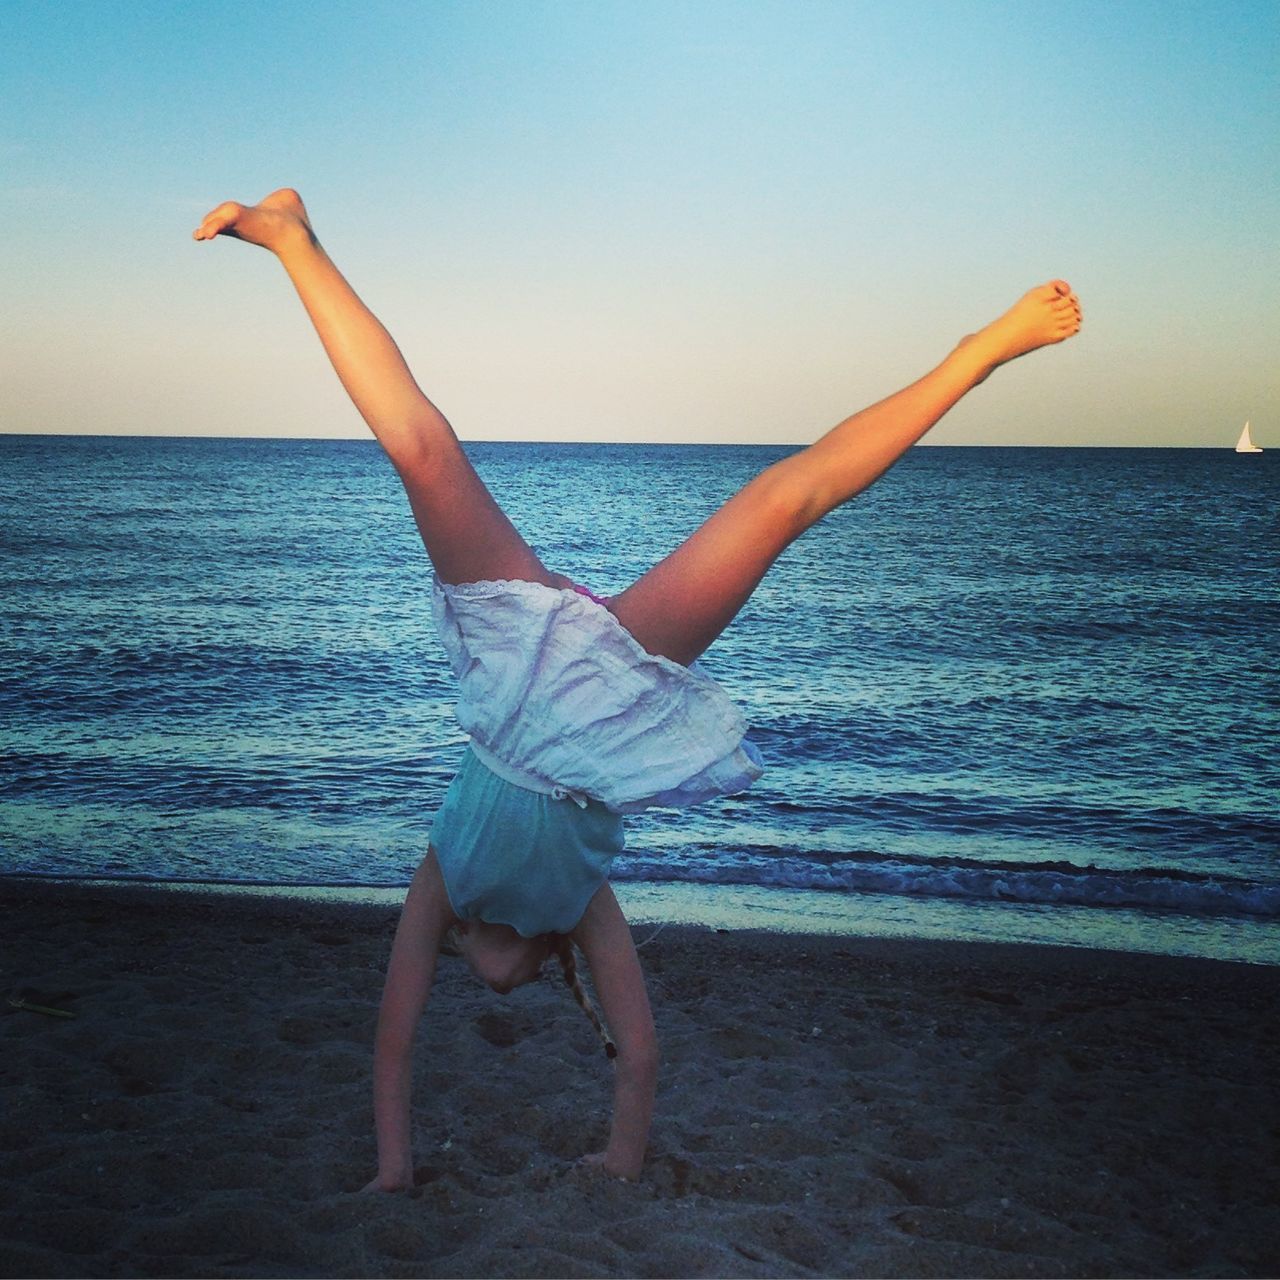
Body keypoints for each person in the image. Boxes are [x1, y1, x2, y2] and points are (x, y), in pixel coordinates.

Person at [194, 188, 1082, 1186]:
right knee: (780, 501)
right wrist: (619, 1158)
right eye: (516, 983)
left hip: (506, 676)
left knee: (420, 449)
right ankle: (980, 350)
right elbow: (640, 1049)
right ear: (549, 970)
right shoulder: (580, 905)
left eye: (479, 976)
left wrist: (394, 1169)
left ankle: (289, 236)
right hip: (597, 707)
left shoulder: (440, 879)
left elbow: (392, 1039)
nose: (496, 982)